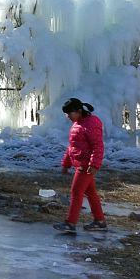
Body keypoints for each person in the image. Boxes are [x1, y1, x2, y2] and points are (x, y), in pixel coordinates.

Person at [54, 98, 107, 233]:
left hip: (86, 166)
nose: (68, 117)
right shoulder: (77, 124)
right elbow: (72, 147)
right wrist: (66, 163)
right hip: (80, 165)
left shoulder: (91, 124)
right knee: (91, 193)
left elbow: (98, 146)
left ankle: (70, 223)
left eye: (69, 114)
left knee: (76, 192)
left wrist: (94, 164)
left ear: (78, 111)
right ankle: (100, 221)